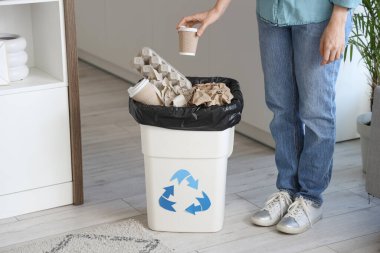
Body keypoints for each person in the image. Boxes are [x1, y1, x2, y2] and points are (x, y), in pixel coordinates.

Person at [177, 0, 360, 234]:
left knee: (316, 112)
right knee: (281, 108)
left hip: (319, 15)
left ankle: (310, 197)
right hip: (271, 15)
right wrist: (217, 9)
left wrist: (340, 16)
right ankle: (287, 189)